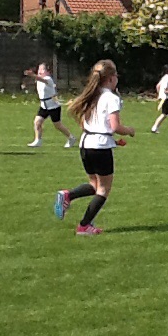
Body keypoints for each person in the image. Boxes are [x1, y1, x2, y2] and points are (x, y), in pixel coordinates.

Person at [54, 59, 135, 236]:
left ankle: (68, 195)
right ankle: (84, 226)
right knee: (104, 189)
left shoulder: (91, 95)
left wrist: (111, 140)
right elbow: (114, 127)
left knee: (94, 183)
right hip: (100, 147)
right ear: (112, 78)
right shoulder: (111, 98)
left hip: (86, 144)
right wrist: (128, 131)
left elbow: (84, 124)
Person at [24, 62, 76, 148]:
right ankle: (38, 140)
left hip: (53, 106)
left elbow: (41, 79)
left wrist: (32, 75)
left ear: (48, 72)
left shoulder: (48, 79)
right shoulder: (38, 79)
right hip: (44, 105)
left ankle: (71, 138)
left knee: (58, 125)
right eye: (39, 69)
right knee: (37, 122)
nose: (40, 71)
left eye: (42, 69)